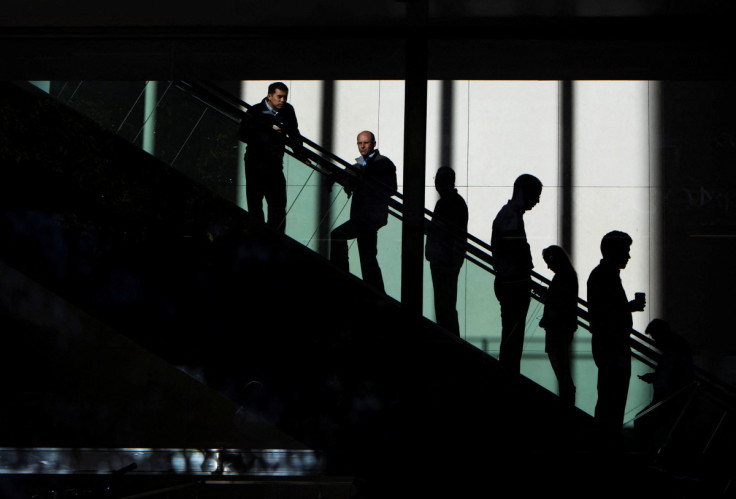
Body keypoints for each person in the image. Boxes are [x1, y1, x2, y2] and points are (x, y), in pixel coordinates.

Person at [587, 230, 646, 440]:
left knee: (609, 397)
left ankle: (606, 439)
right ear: (614, 251)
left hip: (609, 345)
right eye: (626, 251)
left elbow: (601, 311)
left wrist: (626, 308)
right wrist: (627, 308)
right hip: (612, 346)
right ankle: (607, 440)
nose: (628, 256)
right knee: (613, 397)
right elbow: (603, 313)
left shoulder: (602, 275)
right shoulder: (604, 276)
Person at [330, 131, 397, 293]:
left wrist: (362, 181)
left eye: (365, 143)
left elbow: (391, 188)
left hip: (370, 217)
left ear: (374, 144)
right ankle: (376, 291)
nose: (362, 146)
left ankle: (342, 275)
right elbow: (347, 176)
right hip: (365, 217)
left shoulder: (382, 163)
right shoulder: (361, 164)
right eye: (360, 143)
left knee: (339, 236)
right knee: (367, 255)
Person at [491, 174, 542, 376]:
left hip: (511, 282)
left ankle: (509, 372)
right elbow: (515, 250)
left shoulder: (509, 215)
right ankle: (509, 375)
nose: (537, 200)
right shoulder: (511, 216)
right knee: (513, 336)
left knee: (512, 334)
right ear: (523, 192)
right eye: (535, 195)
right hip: (513, 284)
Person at [238, 82, 302, 233]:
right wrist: (269, 129)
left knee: (278, 206)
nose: (283, 100)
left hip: (274, 164)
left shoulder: (287, 110)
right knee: (255, 204)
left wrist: (300, 153)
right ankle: (259, 238)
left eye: (285, 97)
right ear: (269, 96)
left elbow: (294, 134)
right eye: (279, 97)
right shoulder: (255, 111)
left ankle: (274, 240)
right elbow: (243, 134)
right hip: (256, 164)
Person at [425, 167, 468, 336]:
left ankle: (449, 342)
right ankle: (451, 342)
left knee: (444, 307)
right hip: (449, 260)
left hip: (444, 260)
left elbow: (443, 231)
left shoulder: (446, 203)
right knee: (447, 305)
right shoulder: (456, 202)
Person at [539, 245, 578, 406]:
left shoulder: (563, 277)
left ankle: (566, 402)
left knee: (561, 368)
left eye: (549, 261)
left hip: (558, 329)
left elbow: (560, 303)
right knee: (563, 369)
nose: (548, 266)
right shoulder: (568, 275)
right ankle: (567, 401)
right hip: (562, 328)